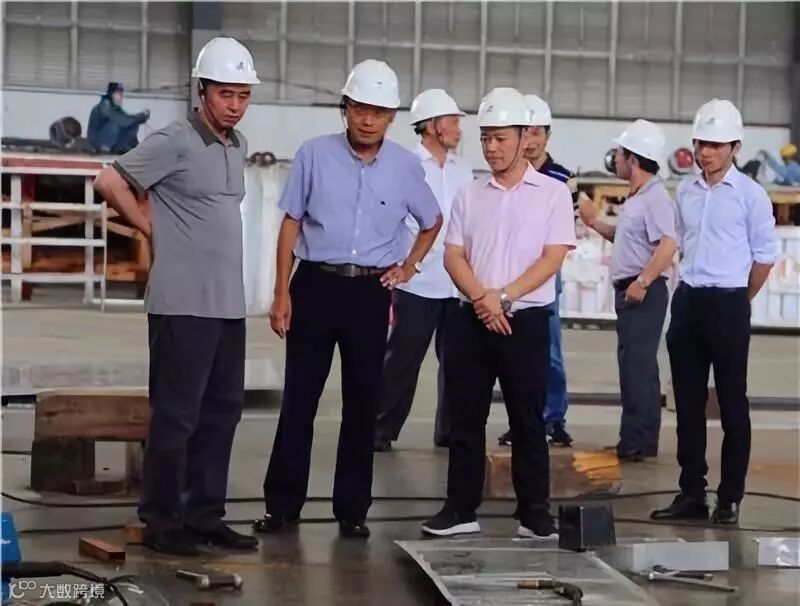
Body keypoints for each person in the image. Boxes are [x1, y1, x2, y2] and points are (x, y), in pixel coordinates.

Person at [254, 60, 443, 539]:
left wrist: (409, 266)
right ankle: (282, 506)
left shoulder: (405, 167)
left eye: (378, 112)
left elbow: (432, 220)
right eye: (359, 109)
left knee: (362, 404)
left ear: (391, 118)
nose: (367, 120)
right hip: (315, 287)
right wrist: (281, 292)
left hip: (369, 294)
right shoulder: (313, 155)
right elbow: (291, 223)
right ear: (345, 109)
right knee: (299, 399)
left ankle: (353, 510)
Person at [93, 37, 261, 556]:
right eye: (226, 94)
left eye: (243, 95)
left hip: (227, 305)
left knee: (222, 413)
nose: (235, 105)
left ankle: (205, 516)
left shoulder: (238, 144)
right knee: (177, 416)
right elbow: (109, 181)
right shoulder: (174, 140)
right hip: (182, 304)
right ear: (202, 90)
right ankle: (163, 521)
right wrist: (148, 226)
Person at [421, 88, 576, 538]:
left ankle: (533, 513)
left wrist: (504, 297)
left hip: (524, 321)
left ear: (525, 137)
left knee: (528, 420)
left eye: (501, 138)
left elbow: (553, 257)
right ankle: (460, 509)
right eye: (485, 138)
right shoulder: (470, 195)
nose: (491, 147)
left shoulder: (552, 194)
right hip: (471, 319)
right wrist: (482, 299)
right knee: (465, 419)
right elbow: (453, 255)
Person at [651, 99, 779, 525]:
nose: (705, 152)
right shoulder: (686, 191)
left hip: (728, 303)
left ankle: (729, 498)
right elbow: (682, 242)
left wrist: (739, 299)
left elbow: (764, 258)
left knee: (731, 404)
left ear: (735, 147)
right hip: (689, 301)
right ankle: (692, 494)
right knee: (687, 406)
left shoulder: (751, 196)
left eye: (716, 145)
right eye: (701, 143)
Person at [373, 89, 473, 452]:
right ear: (431, 125)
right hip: (416, 282)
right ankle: (379, 430)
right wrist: (398, 265)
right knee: (402, 359)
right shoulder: (406, 165)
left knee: (458, 363)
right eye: (452, 121)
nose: (458, 129)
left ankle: (450, 430)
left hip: (457, 282)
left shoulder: (463, 170)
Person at [579, 119, 679, 461]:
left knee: (635, 367)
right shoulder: (638, 197)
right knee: (641, 367)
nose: (615, 159)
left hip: (642, 292)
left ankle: (633, 441)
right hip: (634, 290)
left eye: (620, 153)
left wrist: (642, 281)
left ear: (633, 159)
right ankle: (642, 439)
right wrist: (594, 222)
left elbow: (668, 243)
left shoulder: (655, 198)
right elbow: (626, 239)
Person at [497, 94, 574, 448]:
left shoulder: (561, 179)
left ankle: (553, 418)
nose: (529, 140)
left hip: (544, 275)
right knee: (513, 354)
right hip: (508, 275)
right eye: (523, 131)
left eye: (536, 132)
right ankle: (523, 420)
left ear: (547, 135)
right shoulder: (506, 176)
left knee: (549, 351)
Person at [87, 82, 150, 154]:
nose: (121, 96)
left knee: (133, 124)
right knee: (117, 124)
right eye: (118, 93)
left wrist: (140, 118)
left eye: (121, 93)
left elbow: (128, 118)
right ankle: (105, 148)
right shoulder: (105, 106)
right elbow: (123, 121)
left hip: (108, 140)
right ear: (111, 94)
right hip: (97, 141)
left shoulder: (115, 106)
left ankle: (125, 148)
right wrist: (140, 116)